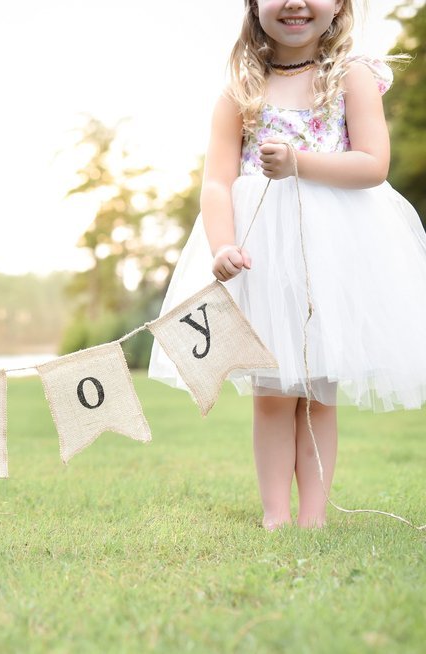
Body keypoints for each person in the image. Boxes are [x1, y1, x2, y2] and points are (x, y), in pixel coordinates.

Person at [149, 0, 426, 530]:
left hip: (330, 253)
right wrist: (222, 244)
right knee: (273, 392)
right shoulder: (239, 90)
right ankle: (276, 515)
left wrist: (301, 163)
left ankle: (314, 518)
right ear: (254, 6)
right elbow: (216, 181)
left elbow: (373, 164)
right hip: (263, 258)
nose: (296, 3)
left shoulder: (352, 77)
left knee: (319, 390)